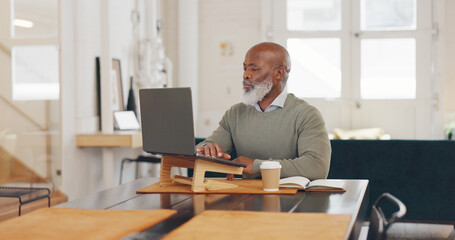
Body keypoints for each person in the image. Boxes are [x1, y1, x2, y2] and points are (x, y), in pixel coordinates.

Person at [196, 42, 331, 180]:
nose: (246, 75)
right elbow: (202, 150)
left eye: (254, 69)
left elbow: (316, 167)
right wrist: (206, 150)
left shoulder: (307, 115)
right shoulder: (235, 113)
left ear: (278, 73)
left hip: (291, 199)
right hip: (246, 198)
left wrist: (257, 166)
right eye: (245, 69)